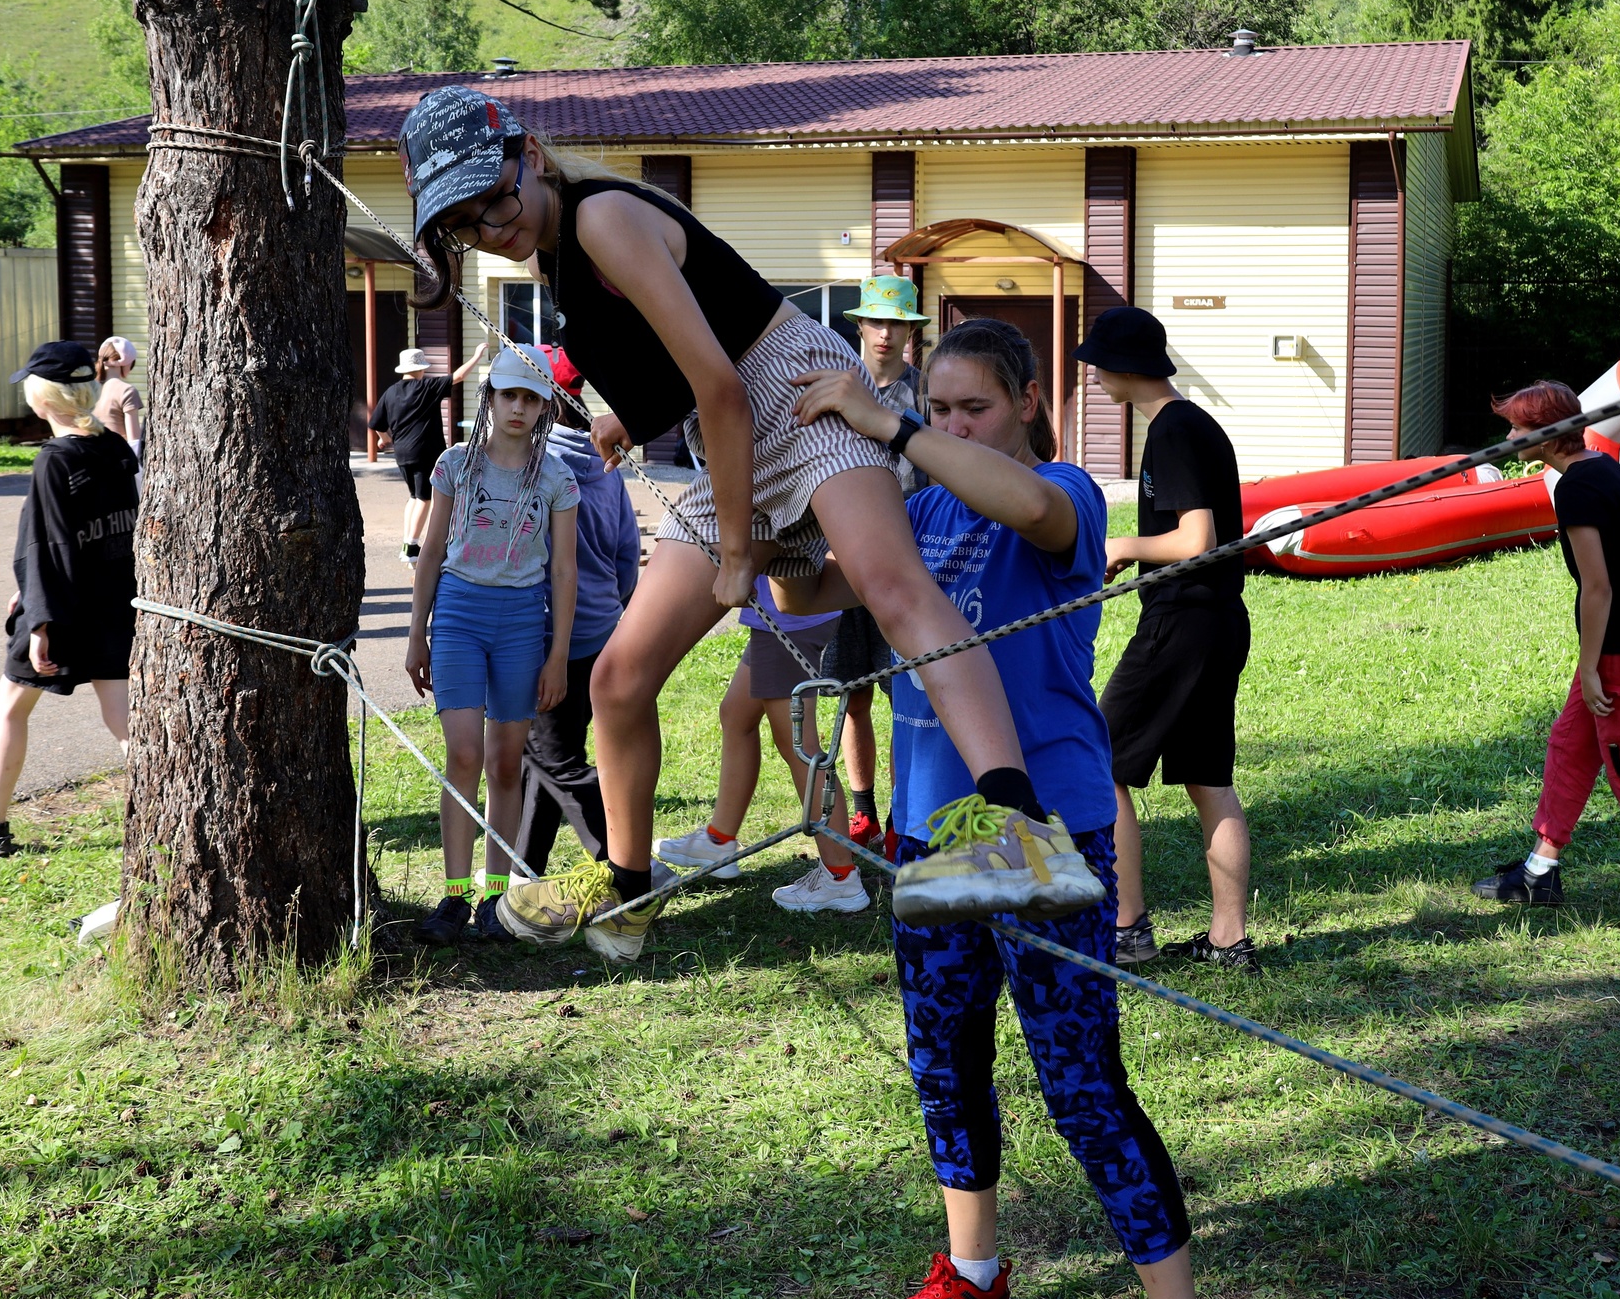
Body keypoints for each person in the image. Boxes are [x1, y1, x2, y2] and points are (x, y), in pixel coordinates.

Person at [388, 85, 1097, 962]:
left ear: (528, 155)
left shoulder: (600, 215)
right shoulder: (555, 255)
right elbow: (680, 376)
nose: (490, 229)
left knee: (895, 590)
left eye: (494, 202)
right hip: (724, 439)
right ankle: (628, 885)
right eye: (464, 225)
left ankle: (1018, 830)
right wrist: (625, 420)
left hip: (794, 393)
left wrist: (734, 551)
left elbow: (723, 381)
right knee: (618, 678)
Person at [780, 319, 1197, 1299]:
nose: (955, 423)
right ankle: (973, 1276)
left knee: (1080, 1086)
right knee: (947, 1062)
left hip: (1041, 828)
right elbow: (804, 594)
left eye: (976, 407)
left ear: (1026, 402)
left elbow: (1032, 511)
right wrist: (774, 502)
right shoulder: (917, 511)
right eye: (941, 407)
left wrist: (893, 426)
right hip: (932, 833)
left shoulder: (1070, 492)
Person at [1079, 307, 1258, 973]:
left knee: (1101, 762)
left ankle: (1127, 928)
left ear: (1124, 367)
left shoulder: (1175, 430)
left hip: (1182, 621)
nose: (1093, 373)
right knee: (1209, 780)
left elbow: (1196, 539)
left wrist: (1123, 545)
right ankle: (1228, 941)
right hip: (1217, 620)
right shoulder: (1190, 424)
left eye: (1098, 362)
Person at [1473, 380, 1620, 911]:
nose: (1510, 437)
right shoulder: (1600, 468)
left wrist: (1590, 667)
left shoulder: (1578, 488)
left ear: (1548, 436)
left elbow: (1598, 587)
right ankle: (1540, 871)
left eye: (1517, 428)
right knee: (1571, 744)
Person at [402, 343, 581, 946]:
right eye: (509, 396)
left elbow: (564, 570)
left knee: (506, 762)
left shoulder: (557, 476)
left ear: (545, 407)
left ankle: (495, 896)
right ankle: (454, 896)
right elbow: (431, 552)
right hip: (458, 613)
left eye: (531, 398)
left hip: (523, 620)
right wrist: (416, 633)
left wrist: (558, 655)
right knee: (464, 755)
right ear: (491, 398)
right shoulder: (455, 464)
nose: (519, 408)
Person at [0, 342, 138, 859]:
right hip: (117, 603)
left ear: (42, 398)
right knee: (123, 719)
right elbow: (104, 533)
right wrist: (29, 589)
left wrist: (40, 623)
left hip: (65, 607)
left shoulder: (55, 459)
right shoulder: (115, 447)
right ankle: (179, 813)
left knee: (8, 705)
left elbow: (47, 544)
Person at [655, 578, 869, 913]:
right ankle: (718, 840)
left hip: (787, 615)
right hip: (779, 613)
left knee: (800, 749)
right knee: (736, 714)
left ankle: (840, 878)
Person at [514, 352, 641, 876]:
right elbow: (627, 556)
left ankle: (628, 868)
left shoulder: (531, 469)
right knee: (542, 754)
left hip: (549, 641)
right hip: (601, 636)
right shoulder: (607, 465)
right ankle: (522, 870)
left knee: (557, 759)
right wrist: (611, 609)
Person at [823, 273, 932, 853]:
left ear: (911, 331)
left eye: (897, 323)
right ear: (860, 325)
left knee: (910, 699)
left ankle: (900, 815)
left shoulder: (927, 397)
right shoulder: (837, 387)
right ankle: (862, 812)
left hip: (908, 565)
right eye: (876, 321)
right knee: (852, 693)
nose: (886, 333)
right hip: (843, 564)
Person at [371, 339, 494, 565]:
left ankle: (407, 544)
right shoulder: (426, 387)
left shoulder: (390, 393)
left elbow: (376, 423)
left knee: (414, 497)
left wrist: (384, 439)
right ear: (421, 369)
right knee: (424, 498)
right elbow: (458, 376)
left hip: (402, 453)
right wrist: (477, 356)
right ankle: (411, 547)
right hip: (425, 451)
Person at [93, 336, 145, 453]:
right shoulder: (127, 391)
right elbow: (134, 441)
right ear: (126, 363)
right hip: (117, 458)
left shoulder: (90, 390)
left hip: (91, 456)